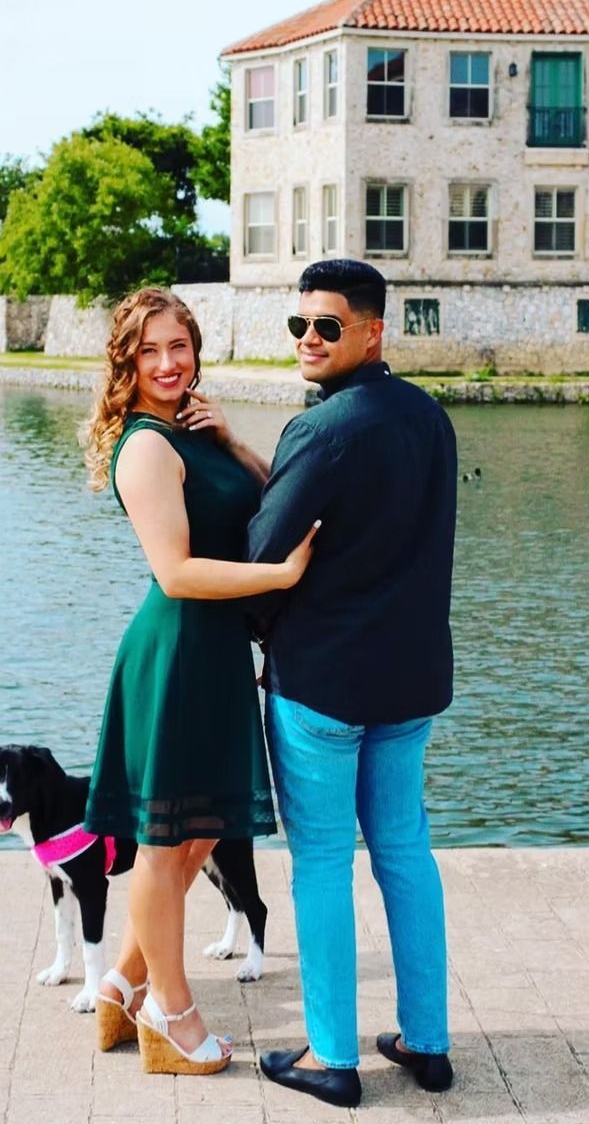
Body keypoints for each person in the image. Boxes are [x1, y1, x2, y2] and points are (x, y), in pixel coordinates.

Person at [81, 286, 318, 1076]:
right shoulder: (146, 447)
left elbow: (265, 500)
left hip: (215, 651)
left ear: (195, 349)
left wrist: (234, 441)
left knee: (204, 829)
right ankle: (171, 1015)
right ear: (126, 362)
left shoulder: (191, 429)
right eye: (148, 350)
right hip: (177, 650)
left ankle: (121, 984)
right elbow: (177, 573)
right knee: (163, 844)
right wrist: (278, 575)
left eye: (177, 345)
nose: (167, 362)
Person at [247, 259, 458, 1109]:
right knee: (405, 852)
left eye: (326, 326)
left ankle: (331, 1056)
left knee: (323, 863)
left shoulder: (323, 429)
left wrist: (259, 631)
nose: (308, 338)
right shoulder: (430, 417)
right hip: (409, 680)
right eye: (298, 324)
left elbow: (264, 554)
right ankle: (427, 1043)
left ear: (372, 333)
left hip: (324, 685)